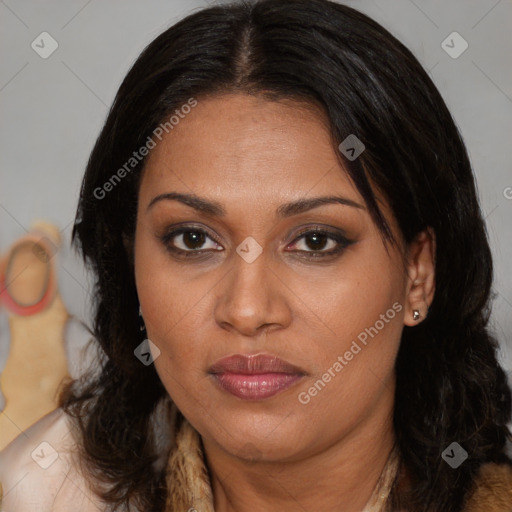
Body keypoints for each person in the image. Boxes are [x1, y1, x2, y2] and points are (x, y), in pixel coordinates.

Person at [1, 0, 511, 510]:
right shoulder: (39, 494)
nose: (247, 311)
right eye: (193, 239)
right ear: (130, 263)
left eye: (316, 241)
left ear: (418, 273)